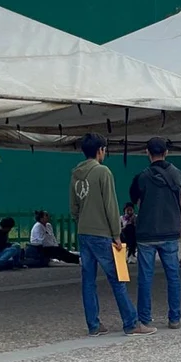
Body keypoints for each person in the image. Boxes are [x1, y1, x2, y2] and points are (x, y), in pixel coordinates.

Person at [71, 133, 151, 337]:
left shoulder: (76, 173)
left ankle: (94, 324)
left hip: (83, 231)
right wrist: (117, 234)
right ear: (100, 150)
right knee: (117, 277)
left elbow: (74, 206)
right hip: (102, 232)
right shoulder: (103, 172)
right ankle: (131, 323)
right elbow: (110, 204)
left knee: (88, 279)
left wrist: (81, 221)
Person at [130, 137, 181, 329]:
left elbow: (135, 200)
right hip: (169, 230)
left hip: (146, 232)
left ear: (147, 152)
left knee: (145, 277)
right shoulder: (177, 174)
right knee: (173, 276)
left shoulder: (142, 177)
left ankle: (144, 318)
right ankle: (175, 317)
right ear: (167, 152)